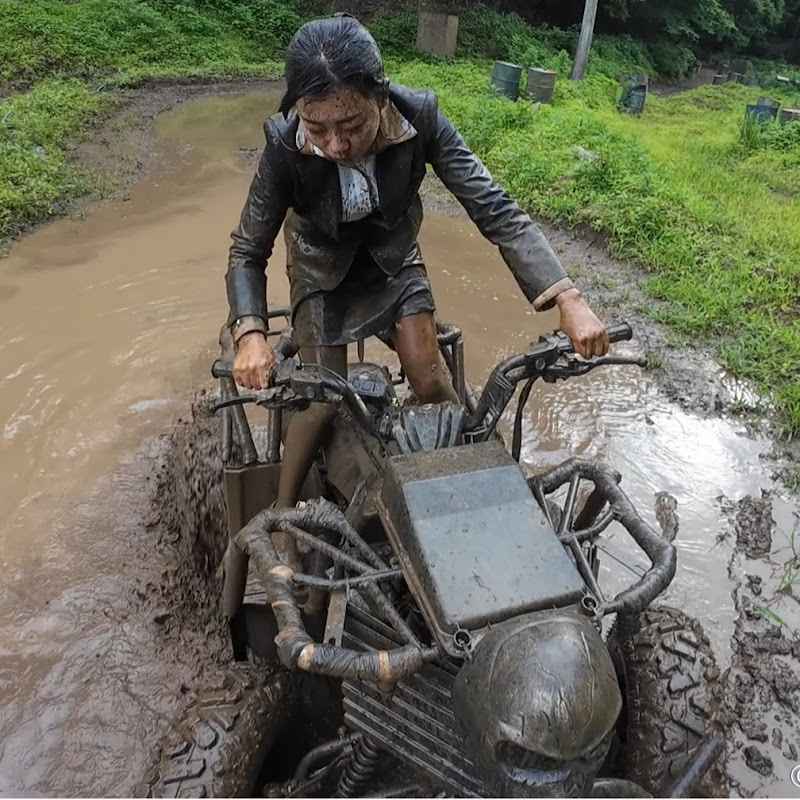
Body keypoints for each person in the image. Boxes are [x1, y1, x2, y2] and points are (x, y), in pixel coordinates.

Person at [224, 14, 609, 568]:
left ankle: (458, 487)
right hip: (320, 270)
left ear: (380, 96)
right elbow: (247, 249)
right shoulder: (284, 145)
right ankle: (286, 518)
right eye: (317, 128)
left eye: (350, 125)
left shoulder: (421, 118)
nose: (335, 143)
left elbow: (492, 206)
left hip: (393, 259)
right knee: (324, 399)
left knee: (431, 378)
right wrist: (252, 332)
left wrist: (566, 297)